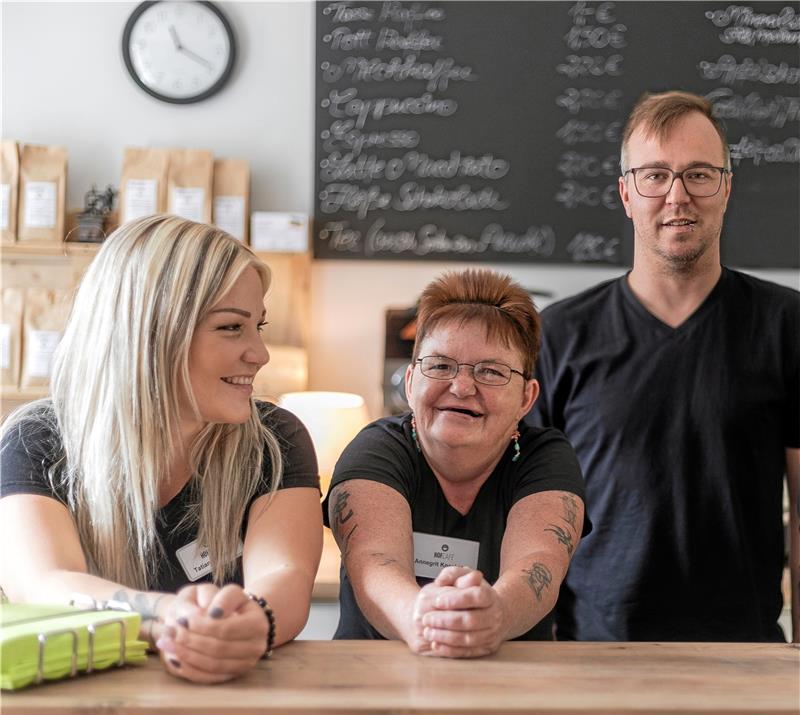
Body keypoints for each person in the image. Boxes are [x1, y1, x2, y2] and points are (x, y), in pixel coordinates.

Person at [0, 214, 323, 682]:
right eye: (232, 327)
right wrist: (169, 616)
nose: (260, 353)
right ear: (151, 332)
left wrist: (254, 624)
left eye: (259, 326)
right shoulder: (38, 438)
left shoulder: (275, 439)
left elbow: (285, 574)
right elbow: (42, 585)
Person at [529, 90, 799, 642]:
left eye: (699, 174)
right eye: (655, 175)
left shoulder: (786, 325)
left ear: (727, 188)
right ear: (626, 193)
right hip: (590, 658)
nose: (678, 196)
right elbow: (529, 517)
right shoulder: (557, 335)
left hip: (745, 659)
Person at [323, 268, 587, 657]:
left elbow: (538, 563)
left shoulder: (546, 457)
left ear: (526, 399)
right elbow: (374, 562)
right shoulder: (376, 449)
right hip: (374, 678)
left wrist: (495, 613)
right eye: (441, 365)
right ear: (410, 382)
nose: (462, 387)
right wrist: (422, 617)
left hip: (511, 680)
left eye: (491, 371)